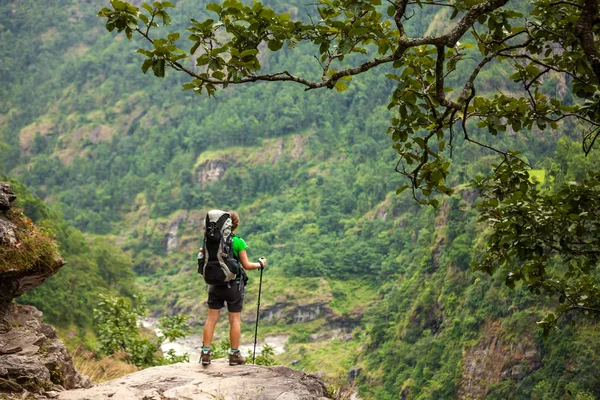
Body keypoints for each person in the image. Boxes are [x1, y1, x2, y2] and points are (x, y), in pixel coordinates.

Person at [200, 211, 267, 366]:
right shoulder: (238, 242)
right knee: (234, 319)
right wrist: (260, 264)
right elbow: (247, 265)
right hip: (234, 286)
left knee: (211, 319)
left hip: (215, 285)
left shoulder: (210, 240)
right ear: (234, 225)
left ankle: (205, 353)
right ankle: (234, 354)